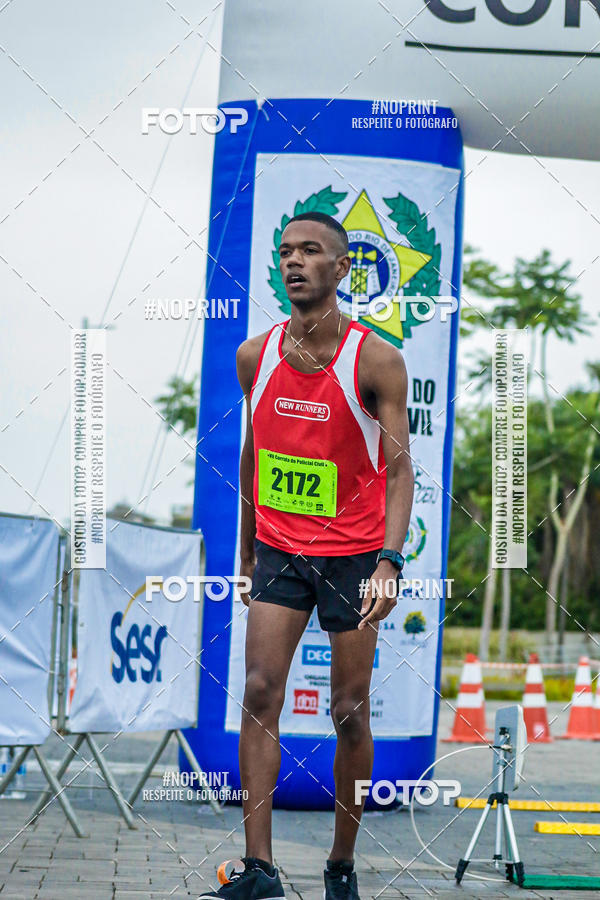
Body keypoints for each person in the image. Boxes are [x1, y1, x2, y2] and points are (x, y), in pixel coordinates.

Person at [200, 211, 413, 900]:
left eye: (312, 251)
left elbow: (401, 469)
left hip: (353, 555)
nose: (296, 262)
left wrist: (389, 559)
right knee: (261, 691)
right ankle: (259, 869)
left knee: (349, 708)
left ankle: (340, 865)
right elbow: (253, 456)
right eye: (286, 252)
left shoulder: (376, 359)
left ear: (342, 268)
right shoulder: (254, 355)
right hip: (278, 549)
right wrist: (244, 552)